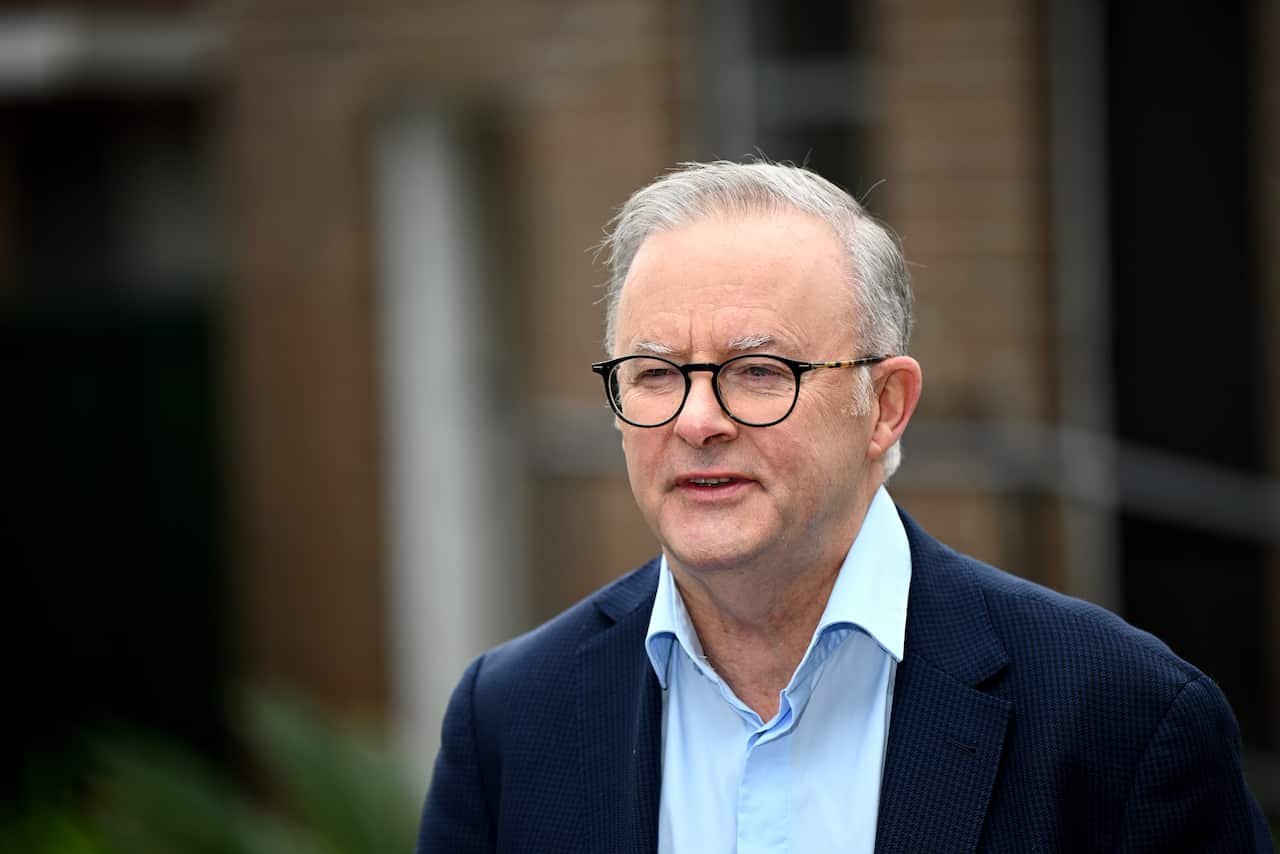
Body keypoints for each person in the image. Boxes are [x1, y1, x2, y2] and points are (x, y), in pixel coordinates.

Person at [417, 161, 1272, 852]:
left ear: (886, 406)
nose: (697, 421)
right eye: (655, 373)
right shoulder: (511, 718)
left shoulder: (1123, 717)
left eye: (759, 372)